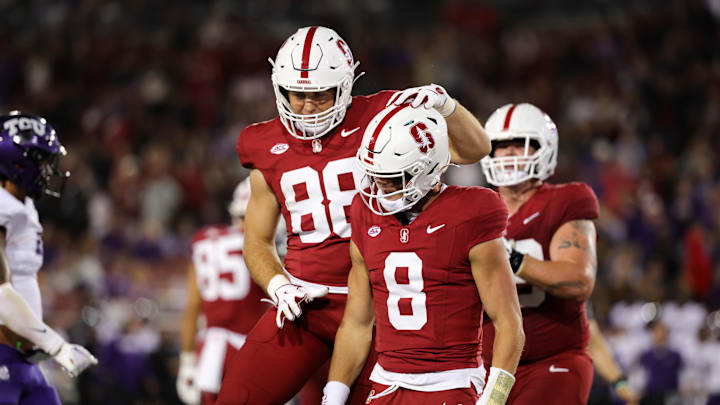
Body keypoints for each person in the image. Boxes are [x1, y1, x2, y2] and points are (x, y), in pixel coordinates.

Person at [216, 25, 492, 405]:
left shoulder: (384, 115)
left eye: (319, 94)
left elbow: (472, 150)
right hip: (306, 304)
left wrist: (447, 105)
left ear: (346, 86)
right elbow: (257, 240)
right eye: (297, 94)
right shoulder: (263, 143)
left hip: (382, 310)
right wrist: (279, 286)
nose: (307, 106)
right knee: (236, 398)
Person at [321, 105, 524, 405]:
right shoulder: (364, 211)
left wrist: (493, 400)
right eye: (375, 176)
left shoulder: (472, 211)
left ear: (427, 171)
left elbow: (509, 323)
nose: (380, 188)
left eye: (392, 178)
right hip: (385, 385)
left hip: (451, 382)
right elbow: (356, 323)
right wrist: (333, 397)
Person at [479, 103, 600, 405]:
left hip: (551, 360)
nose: (507, 154)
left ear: (544, 149)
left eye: (519, 145)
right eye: (499, 146)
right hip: (485, 367)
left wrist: (510, 257)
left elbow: (578, 281)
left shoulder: (567, 200)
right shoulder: (474, 209)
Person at [0, 111, 98, 404]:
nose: (48, 170)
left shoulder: (21, 205)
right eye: (42, 161)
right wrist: (56, 345)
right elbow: (1, 294)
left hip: (21, 358)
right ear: (18, 162)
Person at [176, 178, 269, 404]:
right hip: (250, 352)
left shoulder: (204, 241)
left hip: (211, 352)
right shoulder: (260, 245)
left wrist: (187, 361)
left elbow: (192, 309)